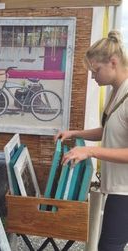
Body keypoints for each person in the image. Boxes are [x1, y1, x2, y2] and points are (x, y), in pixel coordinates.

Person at [55, 30, 128, 251]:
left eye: (96, 70)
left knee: (108, 247)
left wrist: (91, 152)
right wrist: (75, 133)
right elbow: (108, 131)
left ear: (113, 63)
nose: (93, 76)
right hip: (116, 188)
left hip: (125, 192)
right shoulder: (116, 91)